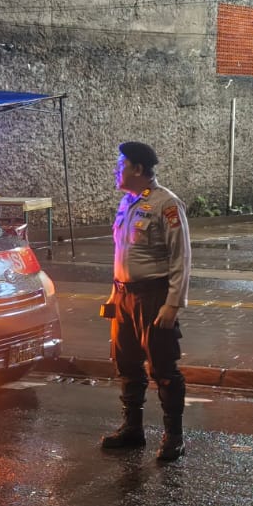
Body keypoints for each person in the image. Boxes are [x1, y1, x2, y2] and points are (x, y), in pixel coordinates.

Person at [100, 140, 191, 463]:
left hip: (154, 296)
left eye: (121, 165)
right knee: (126, 363)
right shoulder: (127, 203)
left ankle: (174, 437)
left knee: (163, 367)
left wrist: (173, 303)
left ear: (138, 169)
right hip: (124, 296)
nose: (116, 170)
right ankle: (133, 428)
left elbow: (181, 258)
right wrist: (115, 294)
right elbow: (122, 253)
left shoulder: (167, 205)